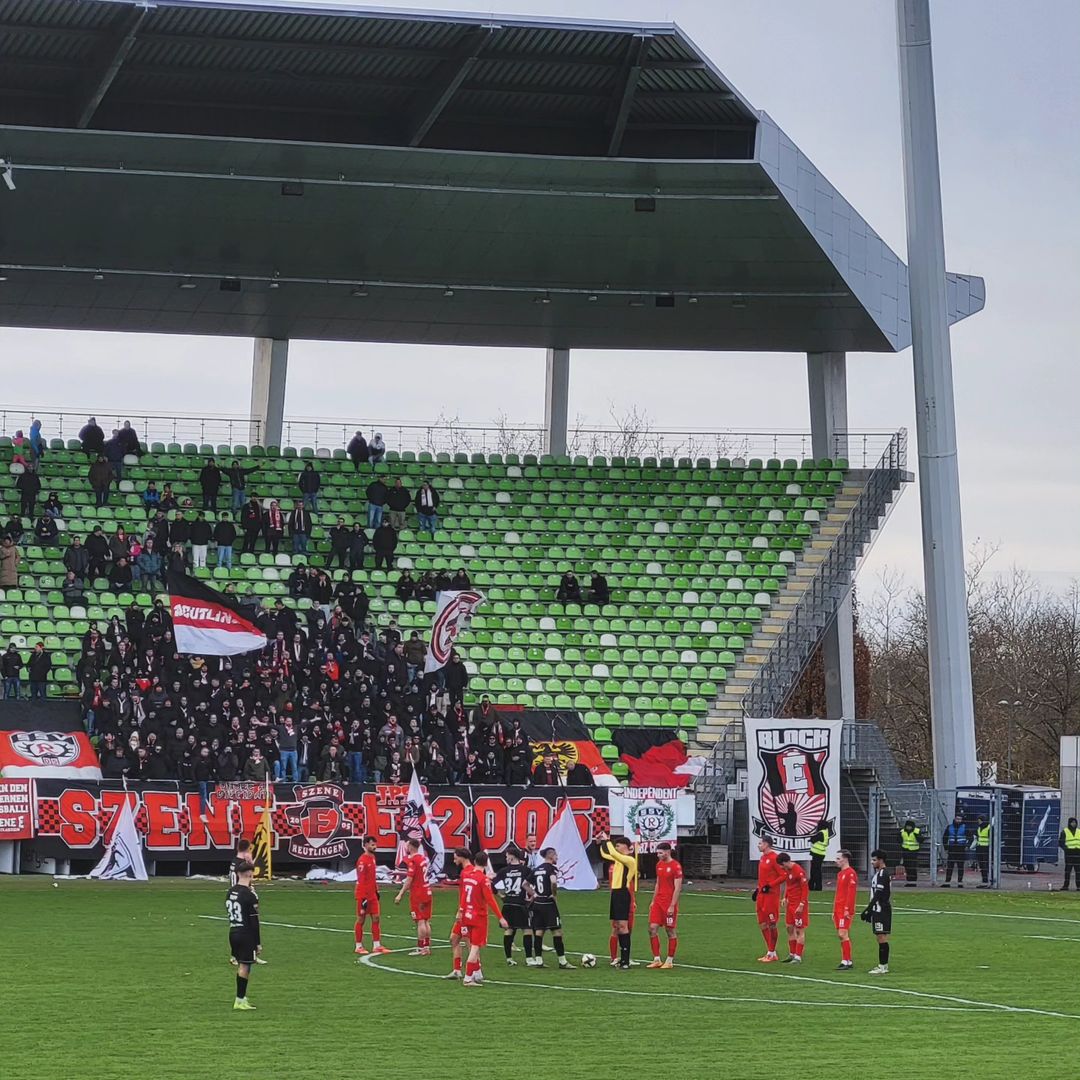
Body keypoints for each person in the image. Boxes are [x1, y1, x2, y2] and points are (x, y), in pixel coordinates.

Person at [459, 851, 508, 986]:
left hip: (467, 914)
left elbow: (463, 894)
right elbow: (490, 899)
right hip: (479, 917)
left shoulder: (467, 875)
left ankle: (477, 973)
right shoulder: (483, 879)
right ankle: (468, 978)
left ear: (475, 861)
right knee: (475, 947)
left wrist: (461, 910)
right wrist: (500, 917)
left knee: (472, 944)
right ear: (486, 864)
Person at [528, 847, 573, 969]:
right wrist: (554, 894)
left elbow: (524, 884)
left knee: (539, 932)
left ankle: (539, 961)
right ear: (551, 856)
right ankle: (562, 962)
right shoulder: (551, 868)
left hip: (537, 904)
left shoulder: (537, 869)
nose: (557, 857)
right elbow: (553, 881)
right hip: (548, 904)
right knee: (557, 932)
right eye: (556, 855)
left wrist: (534, 894)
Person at [225, 859, 261, 1010]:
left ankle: (242, 998)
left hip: (233, 931)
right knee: (245, 966)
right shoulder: (249, 895)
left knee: (242, 964)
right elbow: (254, 921)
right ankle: (240, 1000)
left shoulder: (230, 891)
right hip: (246, 934)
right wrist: (258, 943)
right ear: (250, 875)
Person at [599, 834, 637, 970]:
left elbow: (613, 853)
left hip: (622, 893)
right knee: (617, 926)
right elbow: (605, 853)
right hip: (615, 894)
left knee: (623, 926)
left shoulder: (629, 860)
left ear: (626, 846)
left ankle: (625, 960)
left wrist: (607, 840)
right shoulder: (618, 859)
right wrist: (602, 842)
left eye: (618, 845)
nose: (616, 848)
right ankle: (621, 959)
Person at [492, 845, 534, 966]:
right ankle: (529, 959)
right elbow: (533, 884)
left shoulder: (504, 871)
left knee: (509, 930)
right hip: (520, 903)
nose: (506, 858)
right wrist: (532, 897)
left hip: (508, 903)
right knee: (527, 929)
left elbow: (491, 884)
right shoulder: (526, 870)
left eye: (507, 856)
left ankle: (509, 959)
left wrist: (501, 895)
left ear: (512, 856)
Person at [394, 837, 434, 956]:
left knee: (420, 921)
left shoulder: (413, 861)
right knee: (426, 921)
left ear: (411, 846)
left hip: (418, 893)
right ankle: (426, 947)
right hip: (427, 891)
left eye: (407, 845)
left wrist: (400, 894)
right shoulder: (423, 858)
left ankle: (421, 948)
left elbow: (409, 880)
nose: (406, 847)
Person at [647, 841, 683, 969]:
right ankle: (656, 959)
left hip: (669, 903)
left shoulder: (676, 866)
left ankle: (669, 960)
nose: (658, 855)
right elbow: (658, 883)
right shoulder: (659, 865)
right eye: (657, 853)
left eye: (660, 853)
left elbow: (677, 888)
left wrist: (672, 905)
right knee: (652, 928)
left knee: (670, 930)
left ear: (667, 852)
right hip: (658, 902)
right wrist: (653, 900)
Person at [353, 836, 390, 957]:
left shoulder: (373, 858)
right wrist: (363, 897)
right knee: (361, 919)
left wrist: (376, 890)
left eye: (375, 844)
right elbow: (361, 880)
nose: (374, 847)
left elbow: (372, 877)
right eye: (372, 844)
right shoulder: (362, 860)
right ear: (365, 845)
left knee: (376, 918)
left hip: (372, 894)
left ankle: (376, 945)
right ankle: (358, 946)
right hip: (363, 895)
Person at [776, 852, 809, 963]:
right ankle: (792, 954)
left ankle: (798, 957)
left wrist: (802, 904)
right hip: (790, 904)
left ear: (785, 862)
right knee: (789, 928)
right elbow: (789, 885)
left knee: (799, 930)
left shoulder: (798, 871)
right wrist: (785, 897)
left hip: (798, 905)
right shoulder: (787, 870)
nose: (781, 868)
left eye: (781, 865)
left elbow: (805, 889)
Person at [864, 849, 893, 974]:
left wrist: (869, 909)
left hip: (881, 909)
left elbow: (879, 894)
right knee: (880, 936)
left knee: (881, 937)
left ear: (881, 860)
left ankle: (883, 966)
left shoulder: (882, 874)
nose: (872, 862)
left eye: (874, 860)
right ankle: (883, 966)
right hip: (878, 909)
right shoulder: (879, 874)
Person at [834, 848, 858, 970]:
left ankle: (847, 961)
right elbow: (839, 892)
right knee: (841, 935)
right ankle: (847, 960)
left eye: (838, 858)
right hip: (838, 908)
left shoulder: (851, 873)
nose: (836, 861)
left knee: (842, 933)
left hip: (844, 909)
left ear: (845, 859)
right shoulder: (840, 874)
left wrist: (848, 909)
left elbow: (851, 893)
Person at [941, 813, 971, 887]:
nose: (958, 820)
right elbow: (945, 838)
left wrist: (967, 846)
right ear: (954, 819)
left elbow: (971, 837)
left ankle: (960, 883)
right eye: (957, 819)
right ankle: (947, 882)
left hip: (961, 849)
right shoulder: (949, 827)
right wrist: (946, 848)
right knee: (950, 867)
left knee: (960, 867)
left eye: (960, 819)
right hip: (951, 849)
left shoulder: (965, 827)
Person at [808, 818, 830, 891]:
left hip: (817, 853)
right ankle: (816, 886)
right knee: (817, 871)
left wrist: (811, 837)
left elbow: (813, 840)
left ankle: (814, 886)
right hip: (821, 853)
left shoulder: (821, 833)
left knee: (814, 871)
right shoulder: (825, 832)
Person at [899, 819, 922, 887]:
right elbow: (899, 839)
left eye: (910, 826)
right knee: (907, 867)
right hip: (905, 851)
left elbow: (921, 840)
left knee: (913, 867)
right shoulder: (902, 831)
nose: (908, 827)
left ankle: (913, 881)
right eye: (907, 826)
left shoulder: (917, 831)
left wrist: (917, 836)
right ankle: (909, 881)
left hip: (914, 851)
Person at [1059, 817, 1080, 890]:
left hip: (1078, 853)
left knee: (1078, 871)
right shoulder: (1064, 831)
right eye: (1072, 822)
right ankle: (1066, 886)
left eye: (1075, 822)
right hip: (1069, 853)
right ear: (1069, 823)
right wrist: (1066, 849)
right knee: (1068, 870)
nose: (1074, 824)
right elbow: (1061, 842)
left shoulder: (1079, 831)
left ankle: (1078, 886)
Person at [974, 816, 992, 888]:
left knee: (986, 865)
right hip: (980, 848)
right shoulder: (979, 828)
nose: (978, 822)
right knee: (982, 866)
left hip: (987, 848)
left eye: (979, 820)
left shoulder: (989, 828)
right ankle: (984, 881)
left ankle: (990, 881)